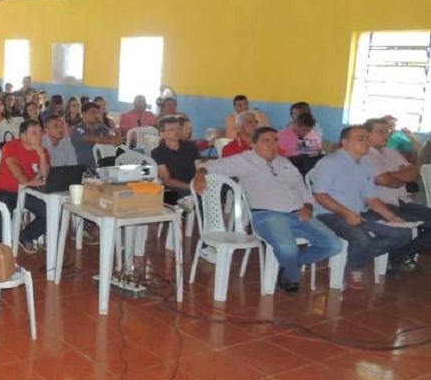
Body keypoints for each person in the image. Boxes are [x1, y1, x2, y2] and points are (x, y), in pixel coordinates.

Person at [194, 127, 343, 292]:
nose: (272, 145)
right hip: (268, 216)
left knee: (334, 245)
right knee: (287, 248)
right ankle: (292, 275)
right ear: (253, 144)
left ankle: (288, 264)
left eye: (275, 141)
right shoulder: (243, 161)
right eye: (266, 141)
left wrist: (308, 206)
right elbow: (210, 165)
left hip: (299, 213)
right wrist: (200, 174)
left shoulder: (284, 162)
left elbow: (302, 189)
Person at [311, 125, 413, 289]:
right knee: (362, 238)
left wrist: (392, 217)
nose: (366, 142)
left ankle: (352, 260)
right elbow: (321, 196)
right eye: (361, 138)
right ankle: (354, 267)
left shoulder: (365, 167)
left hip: (360, 213)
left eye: (367, 138)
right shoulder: (330, 162)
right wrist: (346, 213)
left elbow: (372, 199)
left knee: (403, 234)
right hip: (331, 214)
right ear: (345, 142)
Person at [363, 117, 431, 272]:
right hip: (380, 203)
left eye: (387, 131)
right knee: (403, 231)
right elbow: (384, 180)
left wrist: (392, 176)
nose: (386, 135)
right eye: (380, 132)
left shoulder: (391, 152)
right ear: (367, 135)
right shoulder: (365, 155)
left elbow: (414, 174)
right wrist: (398, 175)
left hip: (403, 200)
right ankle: (400, 255)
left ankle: (398, 254)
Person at [0, 119, 50, 254]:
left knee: (48, 211)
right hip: (6, 190)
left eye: (40, 132)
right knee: (2, 206)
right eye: (34, 133)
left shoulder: (43, 151)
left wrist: (41, 156)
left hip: (27, 192)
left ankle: (26, 235)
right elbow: (14, 166)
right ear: (23, 136)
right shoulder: (11, 146)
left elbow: (44, 176)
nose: (39, 136)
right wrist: (27, 182)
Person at [151, 115, 201, 201]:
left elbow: (199, 168)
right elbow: (167, 180)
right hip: (174, 189)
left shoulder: (191, 147)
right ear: (161, 133)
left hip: (195, 184)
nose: (176, 132)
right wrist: (190, 187)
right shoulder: (158, 152)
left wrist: (198, 182)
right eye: (171, 129)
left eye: (178, 128)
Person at [70, 102, 121, 169]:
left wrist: (114, 138)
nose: (96, 115)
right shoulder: (77, 129)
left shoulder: (100, 127)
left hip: (101, 165)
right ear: (83, 114)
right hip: (83, 167)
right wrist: (110, 141)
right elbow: (91, 138)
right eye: (93, 112)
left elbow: (111, 134)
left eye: (98, 113)